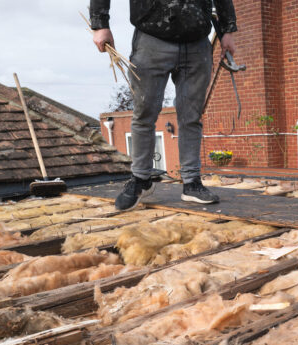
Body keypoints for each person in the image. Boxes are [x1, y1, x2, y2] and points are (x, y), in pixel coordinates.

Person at [89, 0, 238, 210]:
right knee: (144, 113)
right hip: (152, 38)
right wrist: (100, 23)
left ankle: (192, 183)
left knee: (191, 116)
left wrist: (228, 29)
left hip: (197, 41)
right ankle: (141, 180)